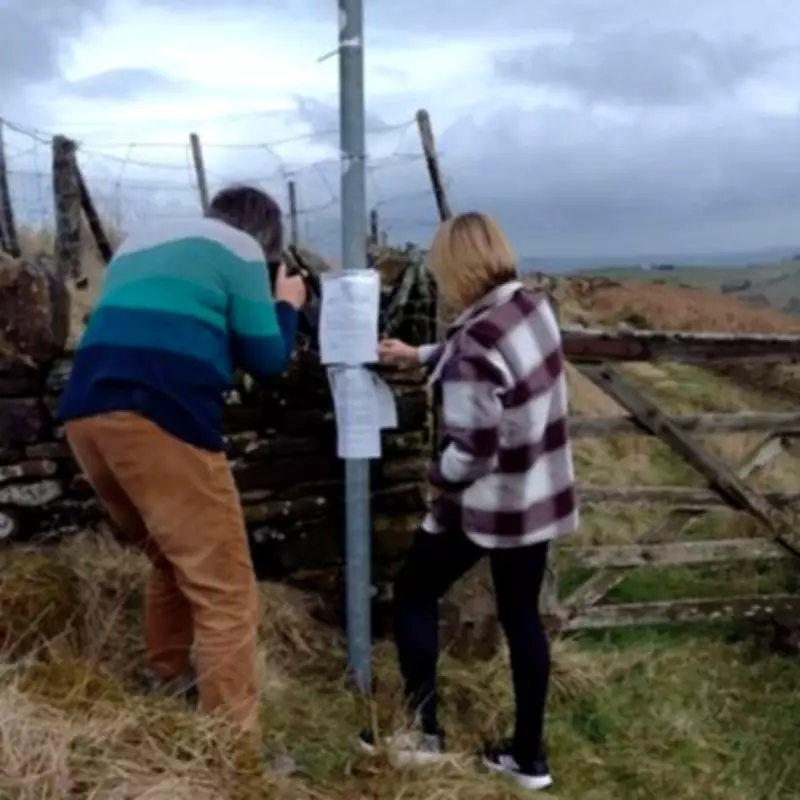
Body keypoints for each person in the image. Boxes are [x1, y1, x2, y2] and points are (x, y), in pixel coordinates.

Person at [58, 186, 307, 741]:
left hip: (86, 416)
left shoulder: (138, 245)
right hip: (160, 416)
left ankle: (165, 677)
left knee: (171, 557)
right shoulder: (241, 250)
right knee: (226, 590)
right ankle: (231, 747)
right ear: (267, 240)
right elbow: (268, 358)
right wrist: (286, 302)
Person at [361, 212, 579, 792]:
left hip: (487, 506)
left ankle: (424, 734)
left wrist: (437, 473)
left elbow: (474, 448)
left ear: (453, 268)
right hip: (539, 495)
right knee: (521, 617)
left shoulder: (474, 348)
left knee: (413, 592)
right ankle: (529, 759)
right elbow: (486, 356)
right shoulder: (533, 306)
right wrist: (420, 355)